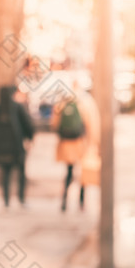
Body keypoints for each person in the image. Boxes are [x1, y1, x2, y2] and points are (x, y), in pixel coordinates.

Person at [51, 81, 100, 212]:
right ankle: (81, 202)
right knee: (83, 173)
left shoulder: (62, 102)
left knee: (69, 172)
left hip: (66, 144)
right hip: (81, 143)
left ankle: (64, 201)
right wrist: (94, 143)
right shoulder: (86, 102)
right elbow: (93, 125)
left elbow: (54, 124)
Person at [0, 85, 35, 208]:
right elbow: (28, 125)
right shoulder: (17, 107)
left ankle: (6, 200)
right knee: (21, 173)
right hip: (17, 148)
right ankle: (21, 198)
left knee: (6, 174)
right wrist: (29, 139)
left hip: (2, 150)